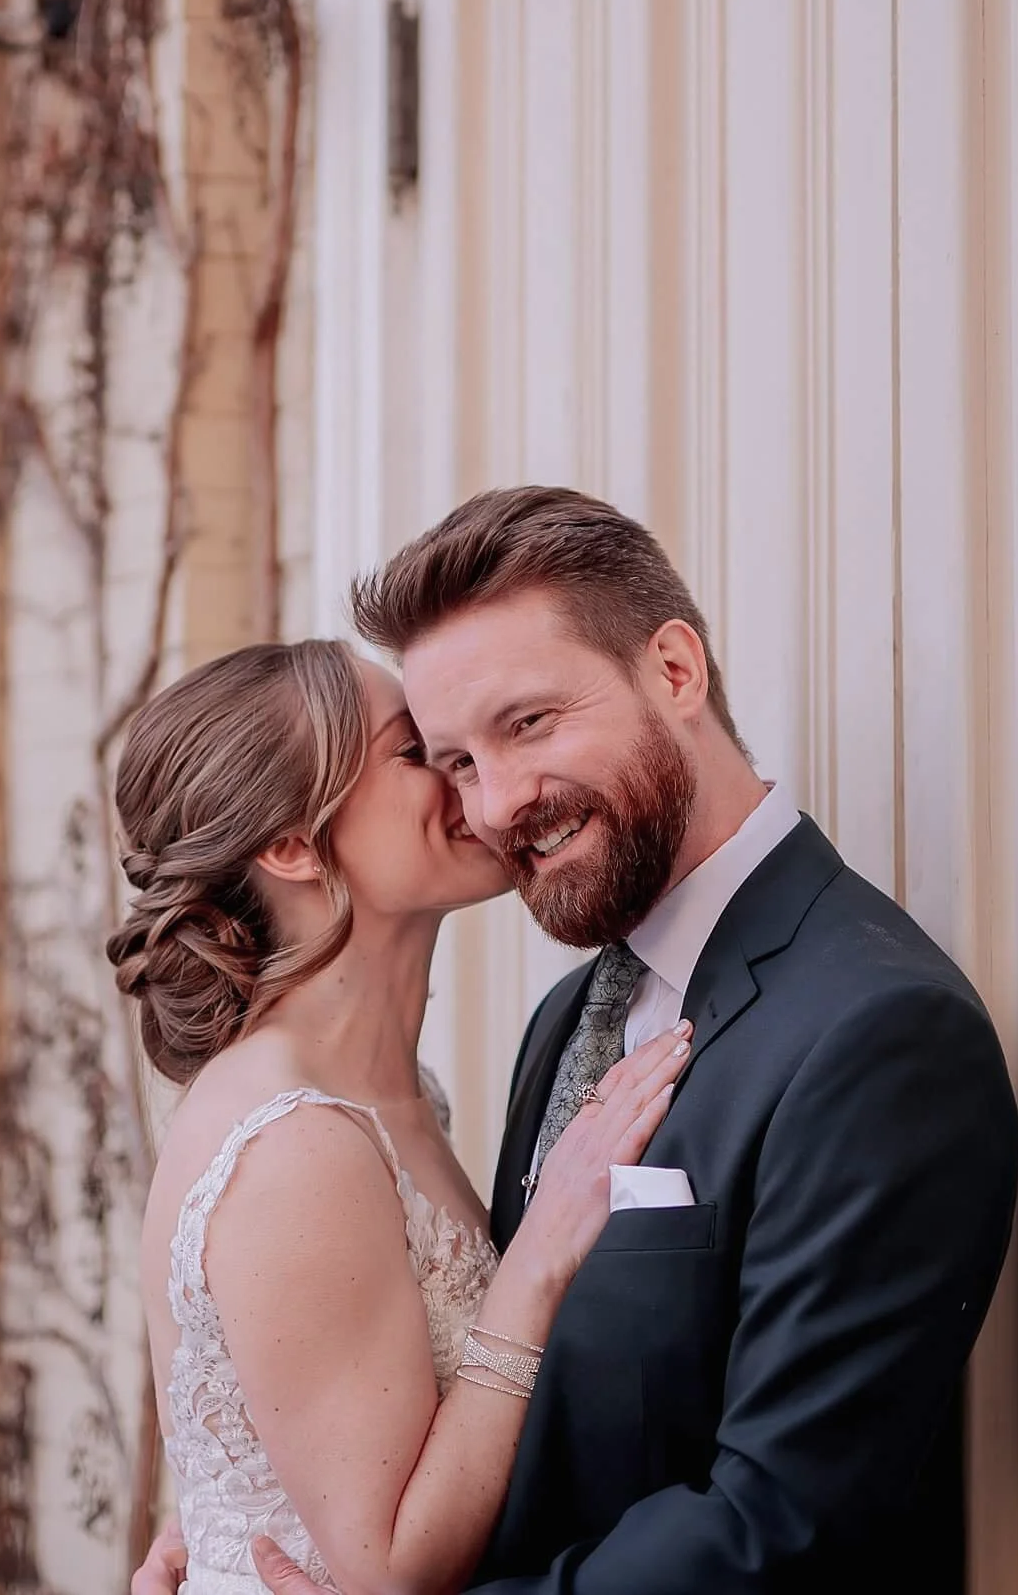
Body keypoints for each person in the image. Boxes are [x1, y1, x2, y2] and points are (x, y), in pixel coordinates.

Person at [133, 488, 1018, 1594]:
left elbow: (783, 1525)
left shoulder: (878, 1036)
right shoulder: (569, 1018)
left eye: (529, 724)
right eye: (450, 760)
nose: (494, 804)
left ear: (675, 671)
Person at [110, 639, 691, 1595]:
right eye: (414, 750)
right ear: (292, 846)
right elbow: (389, 1568)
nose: (469, 774)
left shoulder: (399, 1092)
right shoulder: (295, 1143)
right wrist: (540, 1256)